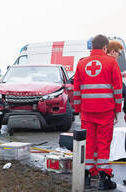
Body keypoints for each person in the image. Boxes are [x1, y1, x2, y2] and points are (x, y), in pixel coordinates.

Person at [73, 35, 122, 190]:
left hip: (87, 111)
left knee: (88, 144)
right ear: (105, 47)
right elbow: (118, 89)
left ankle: (87, 176)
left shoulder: (81, 64)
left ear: (92, 47)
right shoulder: (112, 63)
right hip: (105, 111)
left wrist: (78, 109)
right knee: (103, 144)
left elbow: (77, 90)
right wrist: (117, 109)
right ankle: (104, 178)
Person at [106, 40, 126, 120]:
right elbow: (117, 87)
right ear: (113, 52)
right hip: (108, 105)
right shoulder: (112, 62)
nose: (119, 56)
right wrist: (118, 109)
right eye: (119, 53)